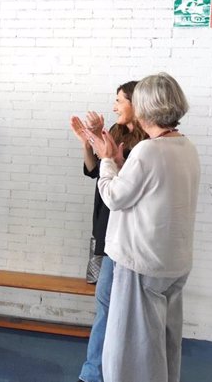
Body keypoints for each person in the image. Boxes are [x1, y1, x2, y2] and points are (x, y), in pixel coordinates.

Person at [84, 73, 200, 382]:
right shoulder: (185, 146)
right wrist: (122, 166)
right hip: (173, 264)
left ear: (145, 107)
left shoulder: (149, 150)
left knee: (129, 357)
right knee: (163, 347)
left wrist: (108, 160)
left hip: (141, 265)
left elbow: (114, 197)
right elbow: (151, 193)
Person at [70, 82, 148, 382]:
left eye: (119, 101)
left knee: (121, 311)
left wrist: (111, 156)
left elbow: (126, 186)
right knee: (104, 306)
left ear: (136, 104)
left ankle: (104, 372)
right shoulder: (115, 133)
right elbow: (94, 171)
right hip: (106, 232)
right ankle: (94, 372)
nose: (115, 106)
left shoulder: (147, 145)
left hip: (130, 237)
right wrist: (87, 142)